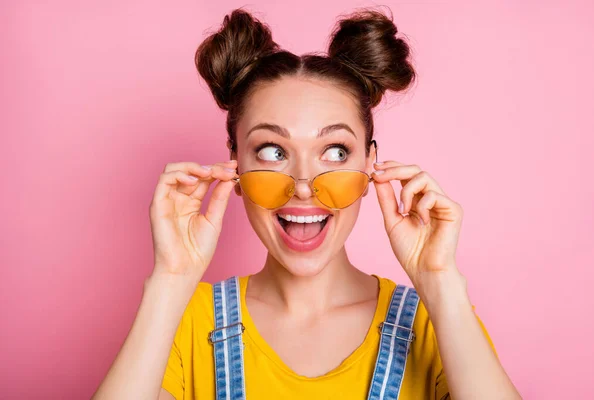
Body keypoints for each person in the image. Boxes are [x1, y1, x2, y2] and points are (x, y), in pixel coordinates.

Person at [92, 7, 521, 400]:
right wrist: (170, 278)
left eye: (335, 152)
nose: (302, 187)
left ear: (370, 164)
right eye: (272, 151)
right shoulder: (185, 322)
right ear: (235, 166)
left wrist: (440, 279)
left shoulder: (437, 323)